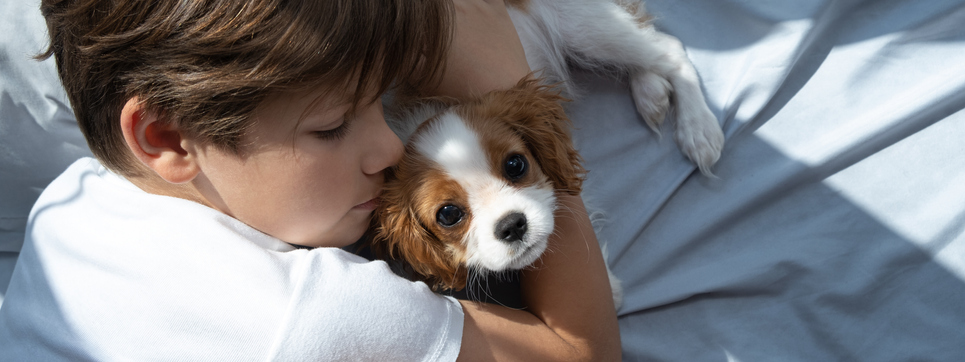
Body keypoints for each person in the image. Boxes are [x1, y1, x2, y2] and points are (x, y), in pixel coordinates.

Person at [0, 0, 620, 360]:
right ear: (166, 138)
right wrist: (504, 94)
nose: (389, 147)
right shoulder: (311, 312)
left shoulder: (65, 207)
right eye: (332, 126)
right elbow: (583, 354)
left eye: (382, 103)